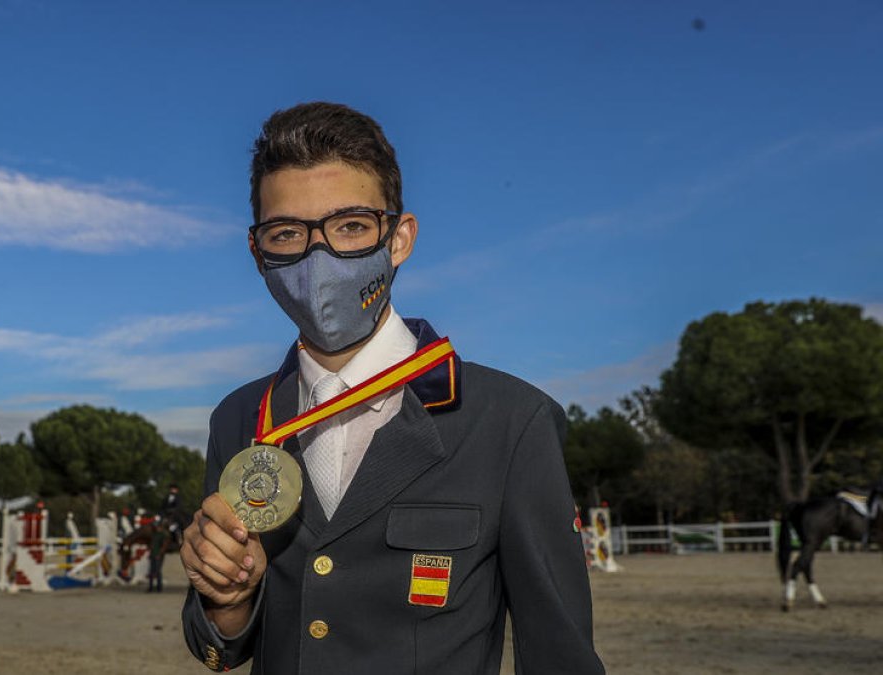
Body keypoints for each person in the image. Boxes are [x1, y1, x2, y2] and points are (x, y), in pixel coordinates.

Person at [180, 102, 605, 674]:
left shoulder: (510, 422)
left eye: (350, 225)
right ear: (258, 252)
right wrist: (225, 600)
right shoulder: (238, 418)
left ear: (399, 238)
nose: (318, 255)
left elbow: (560, 654)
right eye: (286, 233)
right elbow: (222, 646)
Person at [147, 518, 169, 593]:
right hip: (153, 555)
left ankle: (159, 587)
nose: (154, 527)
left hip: (158, 556)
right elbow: (152, 544)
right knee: (151, 571)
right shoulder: (154, 534)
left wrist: (159, 554)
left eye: (155, 525)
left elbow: (164, 546)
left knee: (158, 571)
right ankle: (150, 587)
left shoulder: (163, 534)